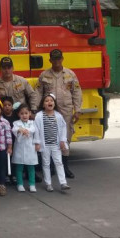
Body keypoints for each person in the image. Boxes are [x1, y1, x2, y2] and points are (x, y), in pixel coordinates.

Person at [35, 49, 82, 179]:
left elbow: (77, 92)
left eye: (58, 59)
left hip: (66, 110)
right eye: (54, 59)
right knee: (49, 136)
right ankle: (51, 166)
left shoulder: (70, 74)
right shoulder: (44, 75)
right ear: (50, 60)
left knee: (65, 136)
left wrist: (77, 110)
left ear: (62, 59)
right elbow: (38, 92)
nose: (56, 61)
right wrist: (34, 109)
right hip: (49, 110)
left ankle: (65, 166)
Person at [34, 93, 71, 192]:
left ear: (54, 103)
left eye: (51, 100)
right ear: (43, 104)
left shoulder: (58, 115)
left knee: (59, 162)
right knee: (46, 163)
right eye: (46, 101)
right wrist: (37, 142)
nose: (49, 102)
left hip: (56, 144)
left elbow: (63, 129)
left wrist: (63, 140)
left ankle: (63, 183)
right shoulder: (39, 116)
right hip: (45, 145)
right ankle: (48, 183)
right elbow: (36, 130)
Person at [12, 104, 39, 193]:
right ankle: (20, 184)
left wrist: (27, 130)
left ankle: (32, 184)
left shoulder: (32, 123)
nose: (24, 115)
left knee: (31, 167)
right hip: (19, 148)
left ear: (30, 114)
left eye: (26, 113)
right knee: (19, 167)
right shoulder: (16, 123)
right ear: (19, 114)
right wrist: (20, 130)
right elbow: (14, 130)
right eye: (22, 113)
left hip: (30, 148)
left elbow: (34, 130)